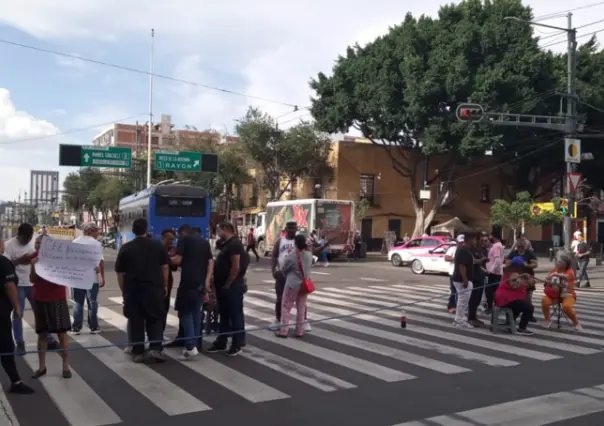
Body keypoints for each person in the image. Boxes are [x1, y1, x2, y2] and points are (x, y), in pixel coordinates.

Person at [115, 218, 169, 363]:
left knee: (136, 320)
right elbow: (164, 268)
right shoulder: (158, 245)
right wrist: (164, 286)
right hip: (153, 289)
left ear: (133, 231)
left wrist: (123, 290)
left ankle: (138, 351)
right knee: (155, 319)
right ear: (146, 230)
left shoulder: (126, 248)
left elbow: (120, 273)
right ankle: (155, 348)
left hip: (133, 290)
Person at [4, 223, 58, 354]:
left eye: (30, 237)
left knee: (40, 312)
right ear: (19, 235)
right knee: (18, 313)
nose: (28, 240)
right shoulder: (9, 245)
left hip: (34, 283)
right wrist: (19, 260)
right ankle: (20, 342)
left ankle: (48, 338)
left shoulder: (34, 241)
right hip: (18, 284)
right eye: (25, 238)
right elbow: (5, 264)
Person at [30, 235, 72, 379]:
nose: (36, 245)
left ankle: (65, 366)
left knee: (62, 333)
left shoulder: (60, 257)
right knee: (42, 334)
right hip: (40, 298)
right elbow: (32, 279)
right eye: (36, 242)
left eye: (39, 243)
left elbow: (69, 273)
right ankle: (42, 367)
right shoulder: (34, 257)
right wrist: (33, 266)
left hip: (57, 298)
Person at [171, 224, 213, 360]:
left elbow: (178, 260)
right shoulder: (204, 242)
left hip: (188, 282)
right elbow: (211, 262)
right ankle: (195, 344)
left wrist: (164, 258)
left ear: (182, 233)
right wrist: (207, 281)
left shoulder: (184, 239)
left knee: (185, 313)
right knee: (196, 313)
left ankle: (190, 346)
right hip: (200, 283)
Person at [207, 222, 249, 356]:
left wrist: (228, 283)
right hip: (223, 286)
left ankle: (237, 343)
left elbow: (235, 267)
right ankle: (221, 341)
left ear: (226, 229)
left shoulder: (235, 244)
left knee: (235, 314)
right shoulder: (226, 245)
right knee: (224, 315)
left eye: (219, 231)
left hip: (232, 286)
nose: (218, 234)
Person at [0, 239, 35, 394]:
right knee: (6, 348)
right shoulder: (2, 262)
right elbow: (9, 286)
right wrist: (17, 306)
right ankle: (16, 382)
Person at [276, 234, 313, 338]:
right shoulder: (309, 255)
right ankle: (299, 331)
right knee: (301, 308)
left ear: (295, 243)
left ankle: (284, 330)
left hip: (292, 284)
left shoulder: (292, 255)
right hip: (304, 284)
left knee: (286, 307)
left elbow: (284, 269)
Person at [71, 222, 104, 334]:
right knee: (92, 302)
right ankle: (93, 327)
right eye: (96, 230)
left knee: (78, 302)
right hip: (92, 278)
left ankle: (76, 327)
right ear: (90, 231)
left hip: (77, 278)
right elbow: (101, 262)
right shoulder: (96, 244)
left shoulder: (75, 242)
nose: (98, 233)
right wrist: (102, 277)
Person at [541, 254, 583, 332]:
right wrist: (550, 282)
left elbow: (566, 277)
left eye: (560, 262)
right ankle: (547, 320)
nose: (557, 263)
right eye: (557, 261)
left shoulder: (570, 271)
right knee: (544, 300)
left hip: (568, 295)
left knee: (566, 306)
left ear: (565, 263)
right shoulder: (554, 270)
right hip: (554, 295)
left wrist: (554, 275)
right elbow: (546, 279)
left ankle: (576, 323)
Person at [494, 258, 535, 335]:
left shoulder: (512, 272)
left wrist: (527, 282)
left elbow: (519, 285)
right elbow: (514, 285)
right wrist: (524, 282)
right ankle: (522, 328)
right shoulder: (513, 274)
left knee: (521, 304)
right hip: (506, 299)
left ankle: (510, 322)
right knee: (529, 307)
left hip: (508, 299)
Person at [270, 221, 298, 330]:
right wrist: (273, 270)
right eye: (290, 228)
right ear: (286, 229)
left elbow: (309, 252)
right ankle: (278, 319)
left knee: (300, 299)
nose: (292, 230)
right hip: (282, 273)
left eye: (294, 228)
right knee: (280, 297)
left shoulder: (299, 241)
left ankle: (302, 321)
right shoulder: (280, 241)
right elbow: (273, 256)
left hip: (295, 274)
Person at [505, 239, 538, 322]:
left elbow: (535, 264)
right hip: (516, 277)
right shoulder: (513, 253)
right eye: (518, 246)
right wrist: (513, 261)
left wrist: (527, 264)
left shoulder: (530, 253)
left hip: (528, 276)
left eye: (522, 246)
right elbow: (507, 264)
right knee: (517, 296)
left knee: (528, 296)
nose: (520, 248)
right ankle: (514, 315)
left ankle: (529, 314)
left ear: (525, 246)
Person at [451, 231, 477, 328]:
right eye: (474, 240)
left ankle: (459, 318)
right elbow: (462, 266)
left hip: (461, 279)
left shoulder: (464, 249)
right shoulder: (463, 250)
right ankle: (459, 320)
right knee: (463, 301)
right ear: (469, 240)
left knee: (462, 300)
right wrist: (465, 280)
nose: (475, 242)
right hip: (461, 280)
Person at [467, 233, 489, 327]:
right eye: (480, 240)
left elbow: (481, 264)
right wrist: (481, 260)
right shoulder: (470, 250)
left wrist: (485, 269)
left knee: (478, 299)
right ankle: (471, 318)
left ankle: (474, 317)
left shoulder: (481, 250)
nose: (481, 242)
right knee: (473, 299)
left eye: (483, 240)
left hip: (481, 277)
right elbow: (472, 262)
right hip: (474, 277)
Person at [485, 235, 504, 314]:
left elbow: (497, 260)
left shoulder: (496, 246)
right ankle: (494, 307)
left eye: (490, 237)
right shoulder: (498, 246)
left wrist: (491, 271)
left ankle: (491, 307)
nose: (489, 239)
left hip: (494, 273)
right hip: (496, 272)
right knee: (493, 291)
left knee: (490, 291)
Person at [444, 236, 462, 313]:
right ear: (457, 242)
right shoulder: (453, 249)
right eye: (460, 242)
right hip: (453, 273)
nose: (462, 244)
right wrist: (455, 259)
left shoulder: (465, 250)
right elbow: (446, 258)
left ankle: (459, 306)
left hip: (462, 273)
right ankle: (451, 306)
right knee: (453, 290)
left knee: (461, 291)